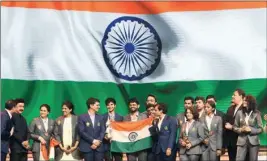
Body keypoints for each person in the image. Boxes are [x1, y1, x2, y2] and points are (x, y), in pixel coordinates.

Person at [233, 95, 263, 161]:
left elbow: (261, 129)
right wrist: (241, 129)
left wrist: (251, 130)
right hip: (241, 141)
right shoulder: (239, 113)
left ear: (251, 102)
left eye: (245, 100)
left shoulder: (257, 113)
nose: (243, 102)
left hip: (254, 142)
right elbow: (234, 127)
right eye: (243, 100)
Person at [224, 89, 245, 161]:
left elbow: (246, 125)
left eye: (234, 95)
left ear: (241, 96)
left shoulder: (245, 108)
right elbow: (226, 122)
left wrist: (232, 127)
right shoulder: (230, 108)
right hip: (230, 142)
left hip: (241, 141)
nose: (232, 96)